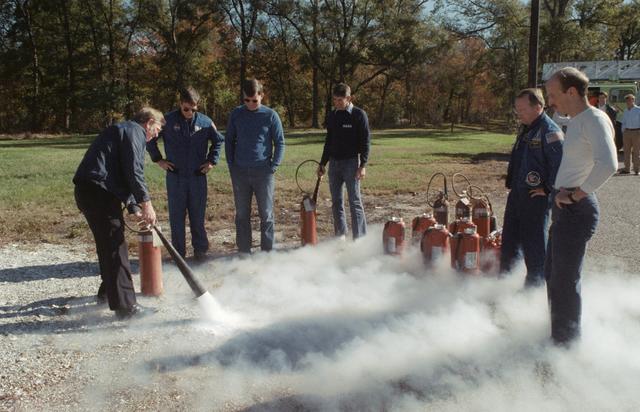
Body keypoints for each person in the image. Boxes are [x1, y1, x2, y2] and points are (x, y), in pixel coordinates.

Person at [544, 67, 617, 345]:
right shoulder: (578, 119)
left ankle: (566, 345)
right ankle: (559, 334)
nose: (551, 101)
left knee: (563, 281)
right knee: (553, 275)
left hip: (577, 210)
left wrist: (576, 195)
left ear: (571, 92)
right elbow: (555, 116)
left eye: (553, 94)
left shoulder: (594, 119)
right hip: (566, 207)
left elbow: (608, 164)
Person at [73, 107, 165, 319]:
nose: (156, 135)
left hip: (94, 191)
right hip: (97, 193)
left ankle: (108, 293)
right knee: (115, 246)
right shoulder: (135, 132)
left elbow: (120, 174)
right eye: (157, 129)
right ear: (149, 122)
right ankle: (126, 308)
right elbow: (134, 171)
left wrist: (134, 207)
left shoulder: (124, 130)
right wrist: (146, 204)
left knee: (109, 244)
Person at [146, 87, 224, 260]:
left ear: (198, 105)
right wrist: (158, 160)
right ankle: (178, 254)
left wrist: (211, 161)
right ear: (180, 104)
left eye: (193, 109)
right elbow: (150, 139)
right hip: (176, 177)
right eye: (186, 109)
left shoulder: (205, 122)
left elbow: (218, 141)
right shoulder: (167, 120)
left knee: (198, 216)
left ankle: (201, 251)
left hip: (197, 177)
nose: (189, 112)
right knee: (177, 218)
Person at [500, 88, 564, 287]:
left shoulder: (550, 131)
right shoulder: (526, 128)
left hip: (535, 197)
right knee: (510, 239)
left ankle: (535, 287)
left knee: (534, 243)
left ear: (538, 106)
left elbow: (560, 164)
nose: (518, 113)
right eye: (517, 109)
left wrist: (547, 188)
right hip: (518, 193)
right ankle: (505, 282)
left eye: (522, 109)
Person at [225, 79, 285, 253]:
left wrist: (273, 166)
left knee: (266, 214)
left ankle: (267, 251)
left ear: (261, 96)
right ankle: (244, 251)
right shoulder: (236, 114)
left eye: (254, 100)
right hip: (240, 172)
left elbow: (280, 142)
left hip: (263, 172)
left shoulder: (271, 115)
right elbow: (229, 140)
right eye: (246, 100)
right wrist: (231, 164)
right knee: (242, 214)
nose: (250, 104)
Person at [317, 83, 371, 240]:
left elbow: (365, 142)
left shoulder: (359, 115)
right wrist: (322, 163)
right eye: (334, 100)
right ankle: (340, 236)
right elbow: (329, 141)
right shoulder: (333, 115)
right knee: (336, 202)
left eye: (340, 100)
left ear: (349, 98)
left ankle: (359, 238)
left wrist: (363, 165)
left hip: (351, 163)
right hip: (334, 164)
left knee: (354, 201)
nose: (336, 103)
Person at [620, 94, 640, 175]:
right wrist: (623, 130)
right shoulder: (625, 110)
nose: (628, 101)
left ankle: (636, 169)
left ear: (633, 100)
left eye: (630, 100)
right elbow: (623, 122)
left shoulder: (638, 110)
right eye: (627, 100)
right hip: (627, 132)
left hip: (637, 132)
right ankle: (627, 168)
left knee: (636, 152)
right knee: (626, 151)